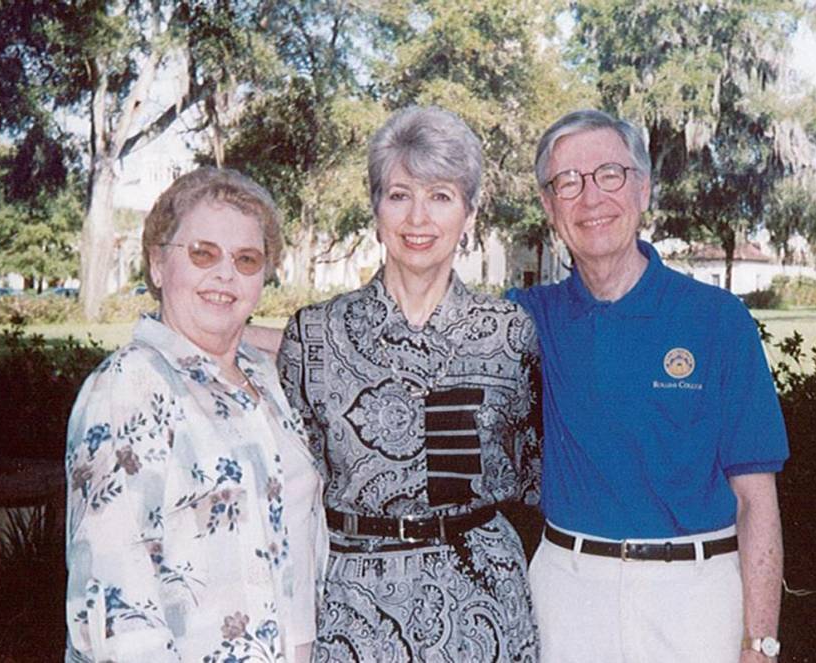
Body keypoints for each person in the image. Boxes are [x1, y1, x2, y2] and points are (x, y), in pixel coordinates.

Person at [507, 109, 789, 662]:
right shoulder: (525, 320)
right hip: (567, 596)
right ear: (548, 205)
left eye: (610, 174)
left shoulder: (717, 320)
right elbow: (408, 334)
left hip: (695, 600)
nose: (590, 199)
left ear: (643, 189)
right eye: (568, 182)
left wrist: (760, 642)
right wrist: (292, 342)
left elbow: (757, 503)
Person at [274, 106, 542, 662]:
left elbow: (532, 472)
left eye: (441, 195)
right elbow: (291, 492)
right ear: (376, 209)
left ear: (468, 213)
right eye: (399, 194)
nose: (418, 217)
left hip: (483, 601)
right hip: (350, 603)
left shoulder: (508, 334)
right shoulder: (314, 334)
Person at [65, 167, 326, 663]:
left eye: (246, 260)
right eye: (203, 253)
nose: (225, 274)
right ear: (159, 265)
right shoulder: (131, 386)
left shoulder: (266, 380)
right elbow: (112, 601)